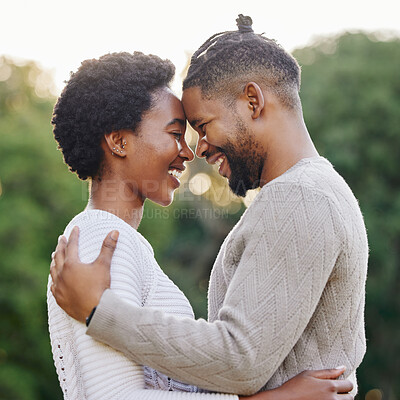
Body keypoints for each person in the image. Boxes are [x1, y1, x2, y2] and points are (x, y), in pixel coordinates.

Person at [51, 14, 367, 398]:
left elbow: (238, 359)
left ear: (253, 101)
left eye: (201, 126)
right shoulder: (102, 243)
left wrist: (101, 313)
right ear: (118, 142)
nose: (195, 150)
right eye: (179, 132)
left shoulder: (300, 196)